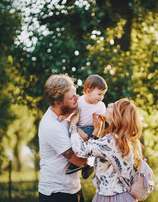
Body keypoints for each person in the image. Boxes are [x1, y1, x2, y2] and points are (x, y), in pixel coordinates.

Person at [38, 74, 102, 202]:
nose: (78, 98)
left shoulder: (69, 113)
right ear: (58, 103)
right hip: (56, 194)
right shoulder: (51, 126)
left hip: (73, 188)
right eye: (72, 97)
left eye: (76, 93)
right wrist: (96, 132)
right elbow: (79, 160)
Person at [69, 98, 143, 202]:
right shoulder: (122, 140)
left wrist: (72, 126)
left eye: (113, 105)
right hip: (121, 196)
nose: (108, 104)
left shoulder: (111, 141)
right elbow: (92, 151)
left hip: (112, 198)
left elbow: (80, 149)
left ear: (117, 116)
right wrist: (96, 131)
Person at [64, 75, 107, 176]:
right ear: (88, 91)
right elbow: (70, 111)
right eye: (99, 94)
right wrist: (63, 116)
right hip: (79, 127)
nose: (101, 97)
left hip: (90, 128)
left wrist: (101, 134)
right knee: (71, 137)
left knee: (82, 140)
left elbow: (104, 120)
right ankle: (82, 164)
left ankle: (82, 163)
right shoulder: (79, 102)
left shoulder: (100, 105)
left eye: (103, 94)